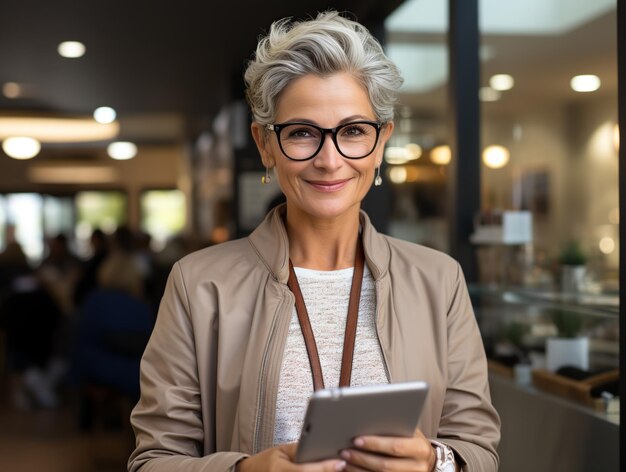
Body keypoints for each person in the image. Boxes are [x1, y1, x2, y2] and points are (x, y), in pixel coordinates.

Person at [128, 11, 500, 472]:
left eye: (353, 132)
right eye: (302, 133)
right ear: (265, 144)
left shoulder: (438, 280)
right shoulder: (199, 284)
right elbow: (153, 461)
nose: (330, 160)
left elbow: (478, 450)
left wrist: (433, 461)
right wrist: (245, 471)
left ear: (381, 142)